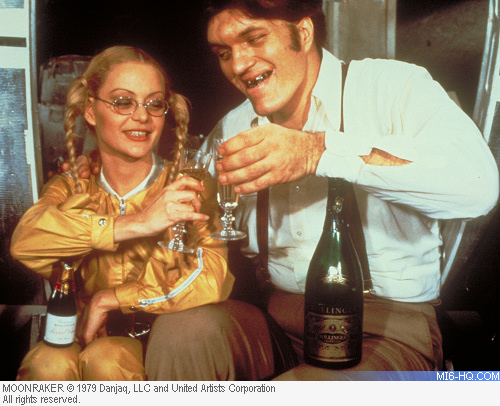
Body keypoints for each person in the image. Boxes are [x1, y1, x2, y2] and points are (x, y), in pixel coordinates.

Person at [73, 0, 500, 379]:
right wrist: (99, 172)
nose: (239, 64)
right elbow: (180, 198)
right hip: (274, 321)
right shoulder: (234, 127)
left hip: (385, 329)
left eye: (254, 38)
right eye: (224, 53)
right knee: (181, 333)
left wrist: (317, 151)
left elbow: (478, 186)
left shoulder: (391, 87)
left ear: (304, 32)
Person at [10, 45, 238, 381]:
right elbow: (26, 242)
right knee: (47, 363)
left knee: (108, 358)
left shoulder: (186, 186)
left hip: (159, 344)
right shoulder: (73, 185)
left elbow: (211, 276)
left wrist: (111, 299)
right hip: (78, 335)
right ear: (91, 111)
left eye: (154, 104)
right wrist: (136, 223)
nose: (142, 117)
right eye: (123, 101)